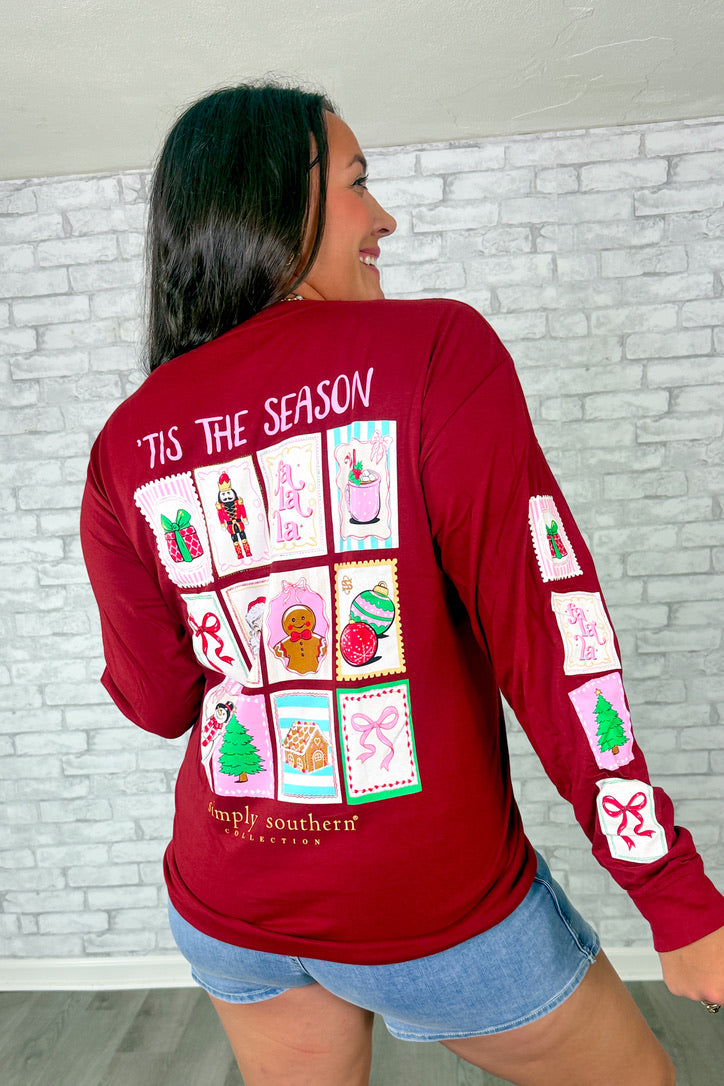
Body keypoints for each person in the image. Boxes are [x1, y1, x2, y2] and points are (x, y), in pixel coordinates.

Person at [80, 83, 724, 1086]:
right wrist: (673, 895)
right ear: (276, 203)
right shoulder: (434, 352)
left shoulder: (127, 441)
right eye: (356, 183)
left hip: (229, 902)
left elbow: (159, 703)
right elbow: (548, 641)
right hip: (431, 914)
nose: (383, 217)